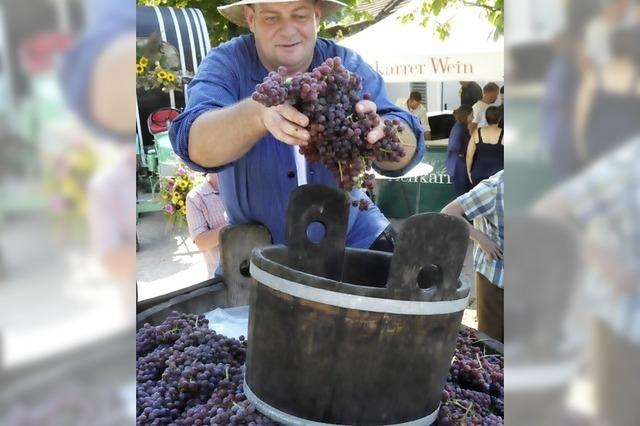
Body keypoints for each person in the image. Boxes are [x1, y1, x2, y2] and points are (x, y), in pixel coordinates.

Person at [169, 0, 425, 252]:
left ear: (316, 15)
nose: (288, 30)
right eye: (272, 17)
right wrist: (257, 113)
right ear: (251, 18)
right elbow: (194, 144)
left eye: (300, 15)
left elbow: (405, 144)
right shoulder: (226, 64)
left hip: (355, 237)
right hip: (261, 254)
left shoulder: (344, 64)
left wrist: (384, 136)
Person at [441, 169, 504, 342]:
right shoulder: (495, 188)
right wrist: (483, 240)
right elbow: (448, 213)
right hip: (497, 276)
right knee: (492, 342)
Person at [574, 24, 640, 164]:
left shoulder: (593, 76)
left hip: (598, 148)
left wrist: (581, 148)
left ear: (611, 47)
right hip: (629, 154)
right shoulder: (637, 79)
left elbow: (580, 115)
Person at [186, 173, 228, 279]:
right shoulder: (196, 197)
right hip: (223, 276)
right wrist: (234, 223)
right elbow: (201, 242)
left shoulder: (244, 187)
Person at [466, 106, 504, 186]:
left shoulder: (477, 132)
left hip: (478, 173)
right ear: (499, 118)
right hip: (498, 176)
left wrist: (469, 171)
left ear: (486, 118)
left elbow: (469, 155)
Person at [446, 105, 473, 196]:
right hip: (459, 166)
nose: (473, 117)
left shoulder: (460, 126)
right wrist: (462, 152)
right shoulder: (460, 128)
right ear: (466, 115)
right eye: (471, 115)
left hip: (458, 165)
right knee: (462, 194)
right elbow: (454, 146)